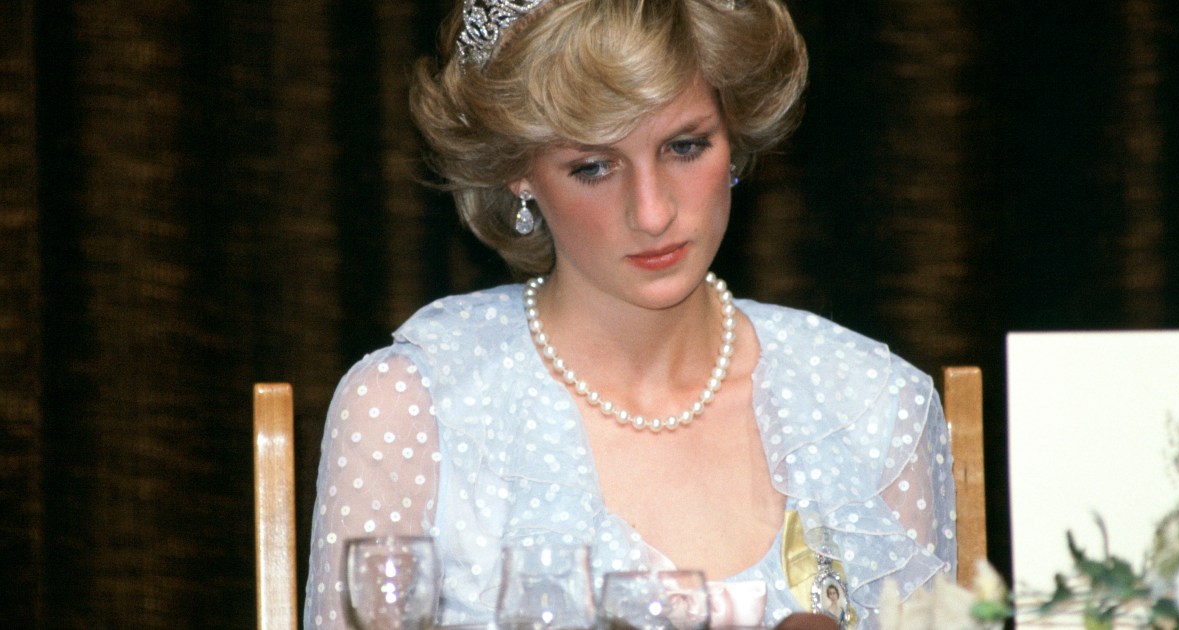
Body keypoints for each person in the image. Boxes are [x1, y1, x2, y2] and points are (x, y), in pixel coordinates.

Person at [303, 0, 957, 628]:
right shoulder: (412, 409)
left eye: (685, 147)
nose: (652, 212)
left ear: (734, 136)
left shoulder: (873, 409)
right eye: (593, 166)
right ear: (518, 172)